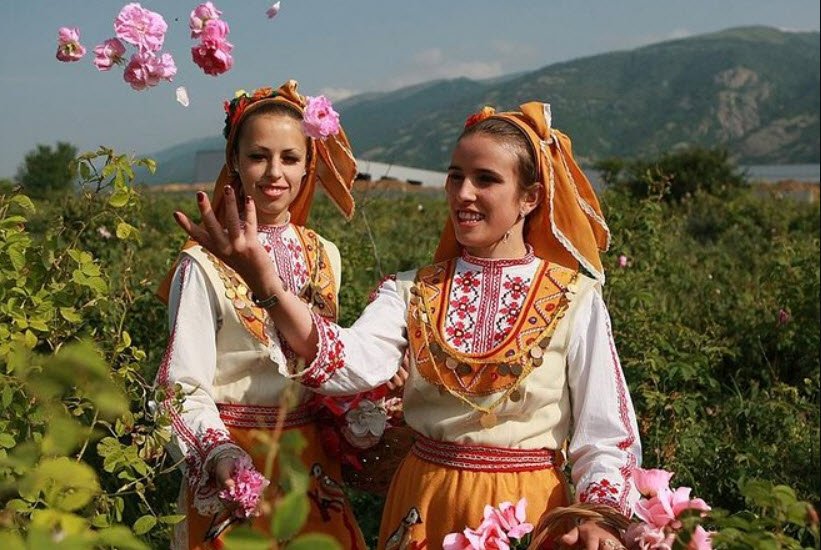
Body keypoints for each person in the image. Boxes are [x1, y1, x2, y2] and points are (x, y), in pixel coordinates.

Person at [174, 100, 641, 550]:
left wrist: (600, 517)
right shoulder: (409, 290)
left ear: (529, 197)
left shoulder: (575, 298)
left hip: (529, 510)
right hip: (424, 503)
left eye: (486, 180)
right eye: (455, 177)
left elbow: (605, 434)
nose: (463, 194)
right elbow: (344, 362)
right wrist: (268, 286)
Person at [155, 79, 369, 549]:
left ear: (309, 163)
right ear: (234, 162)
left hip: (311, 467)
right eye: (258, 156)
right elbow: (180, 385)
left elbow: (328, 363)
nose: (275, 172)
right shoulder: (203, 261)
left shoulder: (325, 254)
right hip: (236, 465)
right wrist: (218, 453)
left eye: (290, 158)